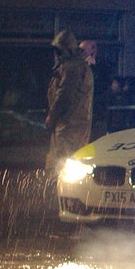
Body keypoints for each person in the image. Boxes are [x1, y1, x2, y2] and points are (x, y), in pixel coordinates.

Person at [45, 29, 94, 172]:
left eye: (59, 51)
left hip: (69, 126)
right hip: (68, 124)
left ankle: (62, 192)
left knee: (63, 164)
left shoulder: (72, 68)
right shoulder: (72, 66)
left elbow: (64, 95)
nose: (56, 55)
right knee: (62, 162)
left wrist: (51, 116)